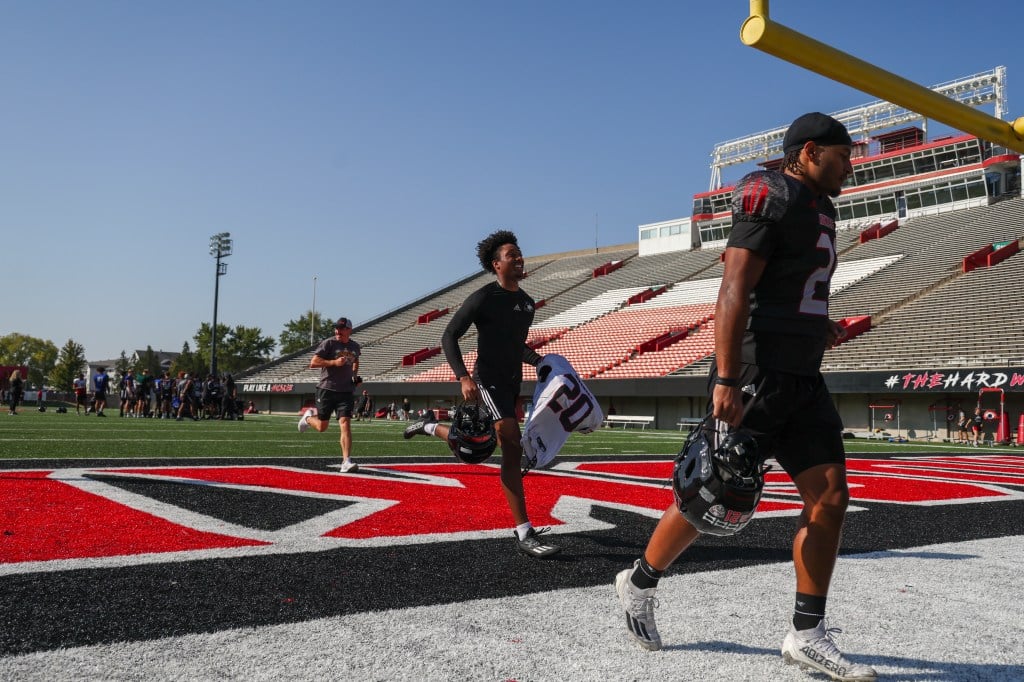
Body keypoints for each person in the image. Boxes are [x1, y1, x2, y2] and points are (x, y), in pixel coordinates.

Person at [613, 113, 876, 681]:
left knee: (831, 497)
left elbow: (791, 288)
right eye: (843, 154)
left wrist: (817, 325)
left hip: (803, 373)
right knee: (714, 496)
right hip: (756, 371)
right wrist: (728, 379)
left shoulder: (822, 207)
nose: (851, 164)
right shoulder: (771, 194)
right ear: (809, 152)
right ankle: (639, 579)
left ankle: (806, 634)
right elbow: (734, 286)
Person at [403, 230, 558, 559]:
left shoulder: (527, 303)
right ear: (496, 264)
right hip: (486, 381)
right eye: (511, 255)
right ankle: (524, 531)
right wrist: (462, 377)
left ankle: (429, 425)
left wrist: (540, 362)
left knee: (473, 449)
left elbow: (515, 345)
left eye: (520, 253)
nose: (519, 258)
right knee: (511, 443)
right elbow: (449, 335)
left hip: (512, 384)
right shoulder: (483, 297)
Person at [298, 316, 362, 473]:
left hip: (346, 390)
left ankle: (346, 461)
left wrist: (354, 376)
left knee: (345, 422)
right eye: (336, 328)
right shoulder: (329, 343)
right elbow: (313, 362)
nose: (337, 331)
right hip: (327, 389)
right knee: (322, 426)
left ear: (349, 330)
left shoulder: (355, 346)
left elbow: (356, 360)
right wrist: (333, 363)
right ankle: (307, 418)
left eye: (341, 328)